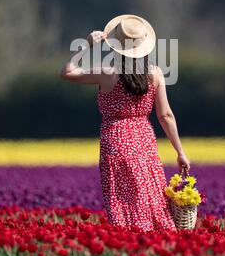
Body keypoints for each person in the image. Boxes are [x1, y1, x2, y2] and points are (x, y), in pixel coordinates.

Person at [60, 14, 190, 232]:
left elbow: (66, 72)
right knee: (150, 192)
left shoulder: (107, 73)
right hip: (145, 140)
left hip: (115, 140)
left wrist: (87, 45)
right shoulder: (155, 73)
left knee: (122, 198)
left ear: (116, 46)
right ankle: (155, 236)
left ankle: (127, 238)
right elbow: (165, 115)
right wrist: (180, 151)